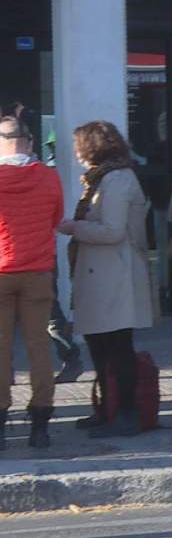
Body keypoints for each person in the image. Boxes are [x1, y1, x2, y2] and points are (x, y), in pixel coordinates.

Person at [59, 120, 158, 438]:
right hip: (100, 273)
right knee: (100, 345)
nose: (75, 152)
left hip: (114, 273)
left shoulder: (116, 180)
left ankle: (125, 412)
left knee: (117, 346)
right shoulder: (101, 179)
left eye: (78, 145)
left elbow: (114, 231)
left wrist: (75, 228)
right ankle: (106, 408)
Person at [0, 115, 63, 449]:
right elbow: (55, 218)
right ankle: (40, 422)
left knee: (0, 349)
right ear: (27, 141)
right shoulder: (48, 178)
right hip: (38, 272)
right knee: (39, 347)